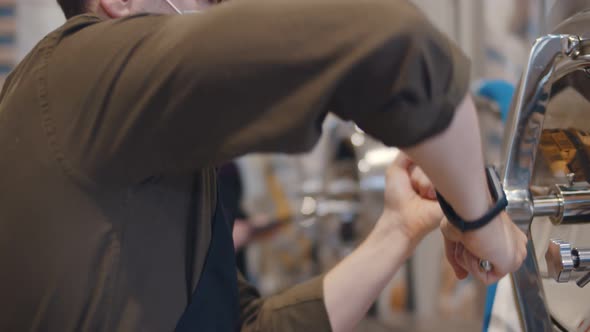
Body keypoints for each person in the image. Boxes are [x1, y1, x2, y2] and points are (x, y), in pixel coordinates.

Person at [0, 0, 528, 331]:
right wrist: (481, 218)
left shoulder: (158, 164)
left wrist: (398, 229)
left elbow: (244, 325)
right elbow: (399, 48)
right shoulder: (78, 72)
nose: (221, 15)